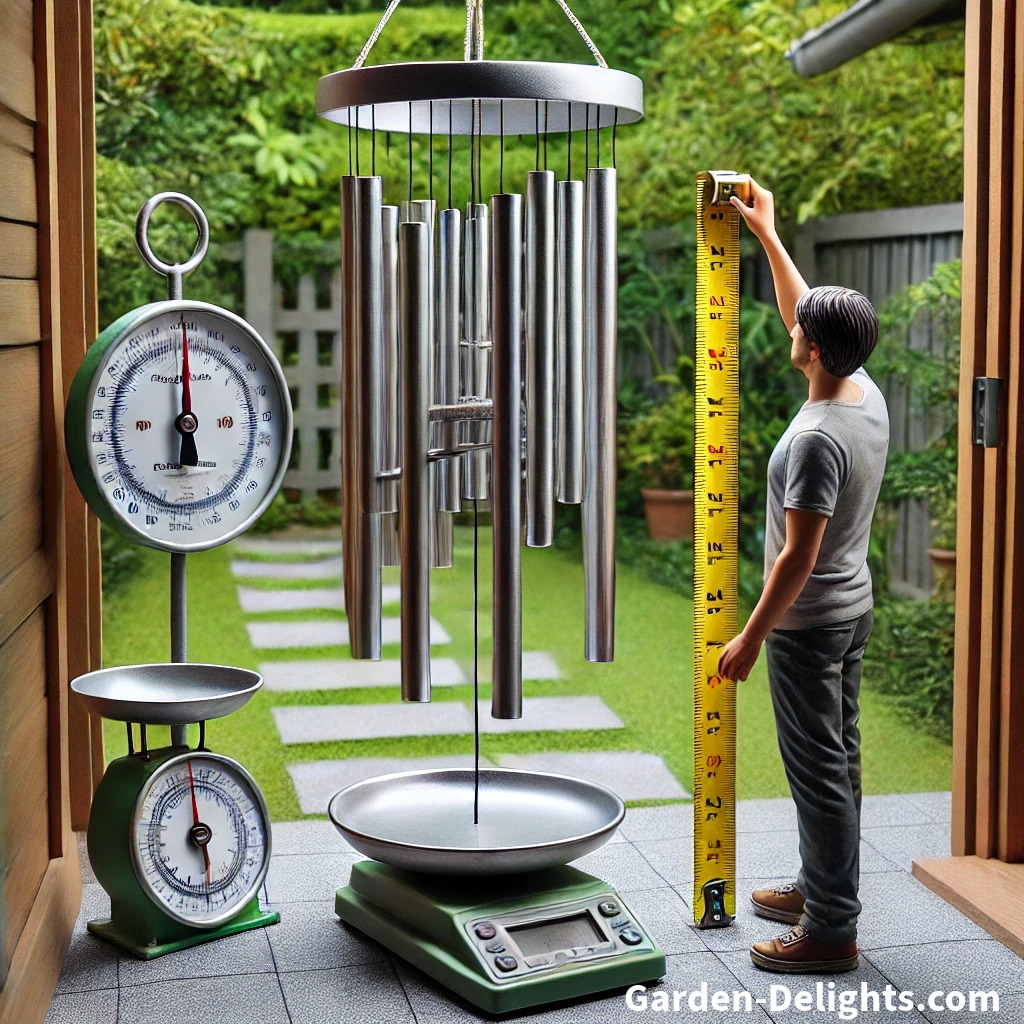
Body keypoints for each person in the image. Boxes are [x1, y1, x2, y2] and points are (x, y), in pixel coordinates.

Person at [717, 179, 889, 974]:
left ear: (813, 350)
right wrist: (768, 233)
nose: (791, 328)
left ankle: (830, 932)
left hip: (810, 623)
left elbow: (797, 555)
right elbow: (803, 310)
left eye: (801, 330)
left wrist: (752, 636)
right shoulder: (863, 392)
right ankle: (822, 888)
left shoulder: (819, 437)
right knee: (839, 759)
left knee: (818, 772)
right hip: (852, 611)